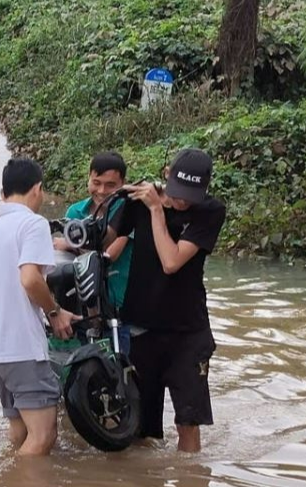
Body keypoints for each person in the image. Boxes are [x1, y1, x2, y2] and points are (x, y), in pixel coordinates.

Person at [112, 148, 226, 452]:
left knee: (187, 420)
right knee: (140, 426)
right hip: (141, 328)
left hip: (188, 331)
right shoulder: (138, 203)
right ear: (166, 175)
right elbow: (107, 241)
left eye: (191, 195)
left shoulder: (209, 211)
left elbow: (171, 262)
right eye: (178, 192)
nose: (183, 201)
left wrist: (157, 212)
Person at [0, 157, 80, 456]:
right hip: (22, 349)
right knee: (43, 436)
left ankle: (5, 475)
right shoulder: (33, 224)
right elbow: (30, 279)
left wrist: (53, 309)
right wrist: (55, 313)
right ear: (38, 189)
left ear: (2, 194)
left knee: (19, 432)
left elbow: (4, 290)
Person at [56, 152, 133, 352]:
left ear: (123, 184)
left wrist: (70, 244)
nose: (101, 190)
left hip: (119, 310)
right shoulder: (75, 212)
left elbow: (110, 254)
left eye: (110, 185)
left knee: (119, 370)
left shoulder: (128, 211)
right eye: (96, 182)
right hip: (84, 310)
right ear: (88, 179)